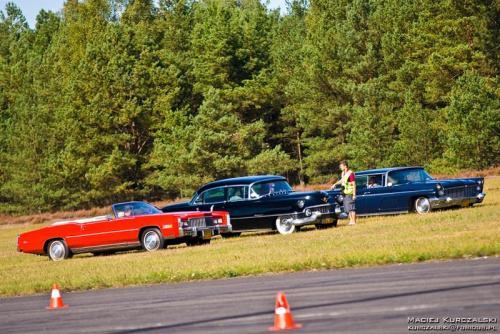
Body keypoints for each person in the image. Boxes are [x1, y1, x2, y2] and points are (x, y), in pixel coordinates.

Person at [331, 160, 356, 226]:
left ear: (345, 166)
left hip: (350, 193)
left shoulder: (350, 173)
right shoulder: (343, 173)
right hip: (345, 193)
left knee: (351, 207)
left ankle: (353, 221)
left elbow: (354, 184)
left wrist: (354, 194)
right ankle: (351, 221)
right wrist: (335, 184)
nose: (340, 167)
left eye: (341, 166)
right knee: (348, 208)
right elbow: (342, 180)